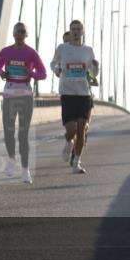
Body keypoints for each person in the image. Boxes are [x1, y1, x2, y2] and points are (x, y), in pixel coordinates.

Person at [0, 22, 47, 184]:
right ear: (13, 33)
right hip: (10, 94)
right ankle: (11, 160)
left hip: (25, 95)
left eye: (22, 31)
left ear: (26, 35)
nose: (19, 33)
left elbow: (43, 74)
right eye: (17, 31)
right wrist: (1, 73)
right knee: (8, 131)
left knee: (23, 134)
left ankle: (25, 170)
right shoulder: (5, 51)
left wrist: (31, 73)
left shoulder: (31, 53)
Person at [50, 20, 99, 175]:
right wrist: (57, 69)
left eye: (78, 29)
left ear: (83, 31)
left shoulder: (88, 50)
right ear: (70, 32)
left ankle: (76, 162)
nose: (76, 32)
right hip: (67, 93)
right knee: (71, 130)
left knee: (82, 129)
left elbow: (93, 74)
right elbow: (53, 63)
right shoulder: (62, 48)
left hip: (84, 94)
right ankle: (67, 142)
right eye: (73, 29)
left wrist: (96, 67)